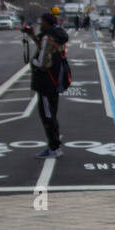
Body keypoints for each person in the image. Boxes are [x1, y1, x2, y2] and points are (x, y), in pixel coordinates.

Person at [23, 12, 70, 159]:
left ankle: (54, 147)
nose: (40, 24)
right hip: (55, 80)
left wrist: (32, 62)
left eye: (42, 22)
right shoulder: (57, 35)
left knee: (47, 115)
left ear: (47, 23)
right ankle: (54, 144)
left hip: (45, 83)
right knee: (51, 113)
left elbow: (44, 63)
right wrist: (32, 36)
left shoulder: (47, 37)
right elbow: (48, 51)